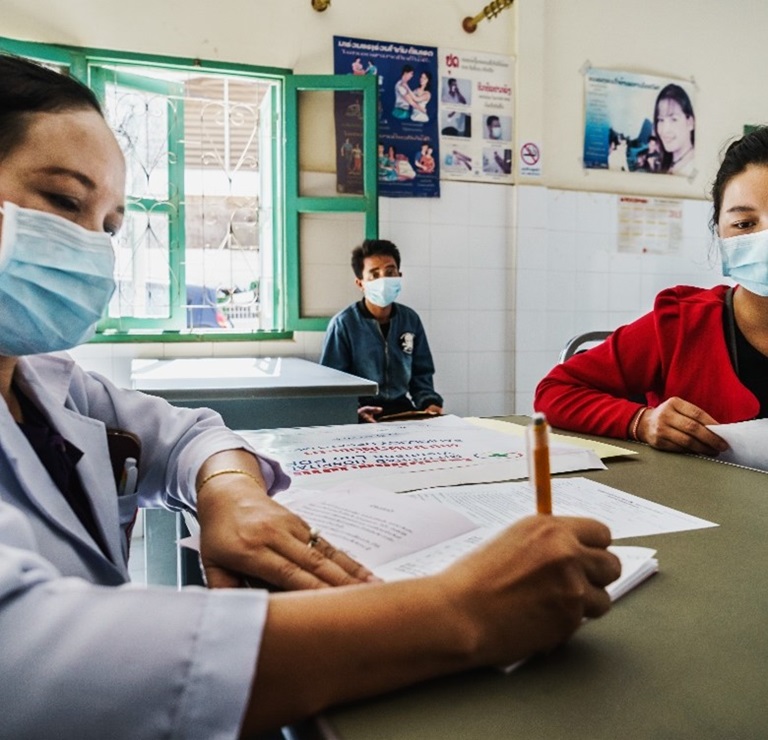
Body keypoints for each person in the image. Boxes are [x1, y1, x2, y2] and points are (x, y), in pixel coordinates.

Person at [0, 55, 621, 738]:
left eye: (111, 227)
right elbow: (34, 655)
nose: (89, 247)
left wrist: (231, 494)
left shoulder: (46, 381)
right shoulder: (344, 325)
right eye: (64, 201)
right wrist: (460, 609)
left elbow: (189, 436)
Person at [534, 126, 768, 457]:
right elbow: (555, 391)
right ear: (719, 232)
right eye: (744, 224)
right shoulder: (680, 324)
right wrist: (641, 422)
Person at [320, 239, 444, 422]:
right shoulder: (343, 324)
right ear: (360, 283)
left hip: (402, 411)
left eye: (390, 272)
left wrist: (429, 403)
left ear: (399, 275)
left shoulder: (410, 320)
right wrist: (353, 411)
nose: (384, 280)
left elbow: (421, 374)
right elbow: (333, 384)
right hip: (360, 415)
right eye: (375, 274)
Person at [653, 83, 695, 176]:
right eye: (661, 120)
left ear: (690, 122)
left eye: (674, 119)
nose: (665, 130)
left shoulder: (694, 167)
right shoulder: (666, 163)